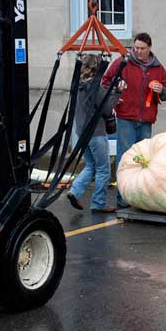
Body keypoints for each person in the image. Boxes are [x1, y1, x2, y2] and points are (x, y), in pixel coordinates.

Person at [102, 32, 166, 208]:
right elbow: (105, 81)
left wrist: (161, 89)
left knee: (144, 160)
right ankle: (122, 198)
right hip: (126, 117)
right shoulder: (122, 62)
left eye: (142, 48)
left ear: (149, 49)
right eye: (136, 48)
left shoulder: (158, 68)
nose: (138, 51)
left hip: (146, 119)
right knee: (125, 158)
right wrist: (115, 93)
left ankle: (139, 199)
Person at [67, 54, 125, 213]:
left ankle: (74, 191)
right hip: (96, 133)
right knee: (103, 169)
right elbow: (106, 109)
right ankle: (99, 203)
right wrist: (117, 93)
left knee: (91, 165)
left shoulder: (78, 86)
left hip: (81, 133)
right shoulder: (95, 86)